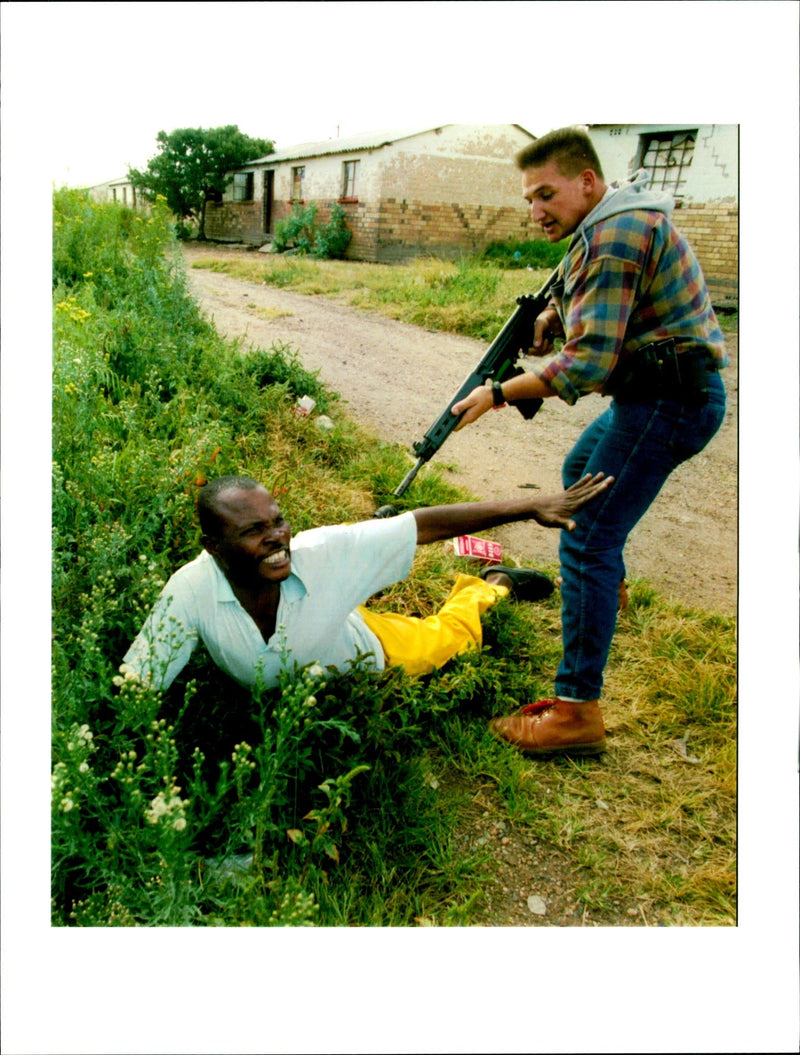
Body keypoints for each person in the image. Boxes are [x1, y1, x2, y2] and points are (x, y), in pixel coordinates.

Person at [451, 126, 728, 759]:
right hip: (659, 396)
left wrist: (497, 395)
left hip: (671, 403)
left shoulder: (614, 235)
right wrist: (553, 314)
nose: (535, 210)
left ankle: (576, 712)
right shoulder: (611, 220)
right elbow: (596, 298)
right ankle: (606, 593)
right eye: (528, 198)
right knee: (581, 468)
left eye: (546, 193)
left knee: (586, 534)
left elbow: (586, 368)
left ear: (586, 182)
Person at [122, 471, 612, 693]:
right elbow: (138, 688)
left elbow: (422, 525)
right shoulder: (187, 591)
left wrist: (529, 506)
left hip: (365, 648)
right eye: (254, 531)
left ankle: (490, 583)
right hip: (326, 632)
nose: (278, 539)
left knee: (449, 641)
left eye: (278, 520)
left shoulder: (320, 553)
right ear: (212, 546)